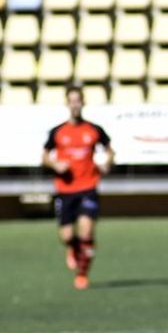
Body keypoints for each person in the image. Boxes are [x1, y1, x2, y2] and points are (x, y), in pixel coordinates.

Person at [41, 84, 114, 290]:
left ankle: (82, 274)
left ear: (83, 103)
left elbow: (110, 150)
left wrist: (107, 162)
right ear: (67, 104)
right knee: (66, 236)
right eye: (71, 101)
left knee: (87, 233)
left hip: (88, 187)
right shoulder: (58, 132)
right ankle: (72, 249)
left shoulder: (94, 130)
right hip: (64, 190)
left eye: (78, 101)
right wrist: (55, 164)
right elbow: (44, 156)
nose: (75, 105)